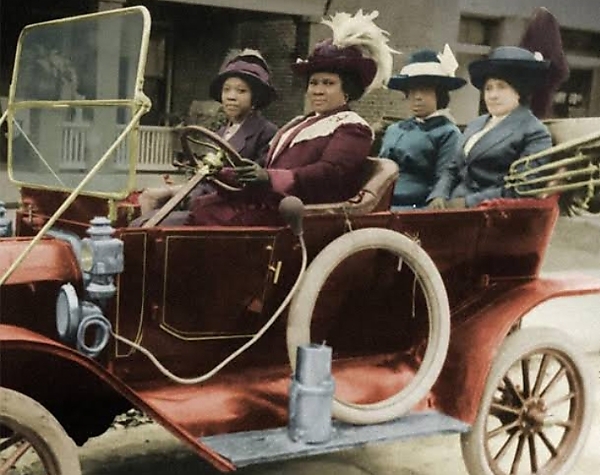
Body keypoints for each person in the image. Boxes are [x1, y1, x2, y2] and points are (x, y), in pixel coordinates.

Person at [187, 10, 397, 227]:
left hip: (300, 216)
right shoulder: (299, 123)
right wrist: (225, 173)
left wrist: (270, 178)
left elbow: (330, 173)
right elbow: (265, 168)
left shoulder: (352, 128)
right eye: (314, 83)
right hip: (267, 205)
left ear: (348, 90)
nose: (318, 90)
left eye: (328, 83)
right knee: (195, 208)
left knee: (196, 221)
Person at [137, 49, 277, 215]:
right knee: (148, 198)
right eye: (226, 90)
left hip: (234, 207)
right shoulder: (222, 131)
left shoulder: (266, 132)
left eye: (241, 91)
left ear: (255, 98)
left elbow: (253, 184)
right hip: (206, 196)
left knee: (160, 223)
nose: (231, 97)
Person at [428, 46, 553, 210]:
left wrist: (467, 203)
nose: (493, 95)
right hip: (450, 205)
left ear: (519, 91)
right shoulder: (476, 124)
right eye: (488, 88)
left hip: (489, 214)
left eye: (501, 87)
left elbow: (522, 188)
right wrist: (439, 194)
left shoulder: (534, 131)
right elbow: (452, 168)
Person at [379, 45, 466, 209]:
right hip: (381, 202)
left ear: (439, 94)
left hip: (417, 207)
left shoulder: (447, 132)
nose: (417, 97)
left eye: (425, 90)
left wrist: (436, 200)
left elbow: (446, 176)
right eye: (412, 91)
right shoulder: (394, 129)